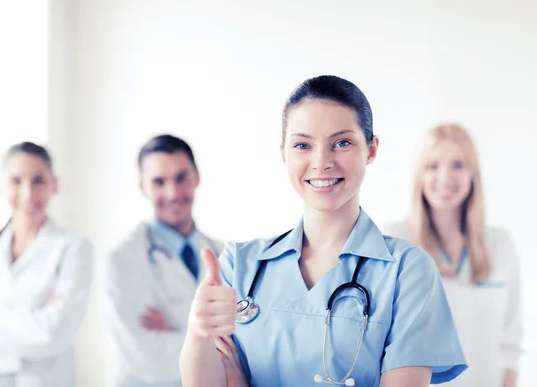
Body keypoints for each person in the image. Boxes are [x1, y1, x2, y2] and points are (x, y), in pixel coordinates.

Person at [179, 75, 468, 387]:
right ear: (283, 154)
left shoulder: (407, 271)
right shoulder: (239, 264)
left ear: (371, 149)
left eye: (341, 143)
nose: (321, 162)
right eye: (303, 145)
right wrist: (199, 330)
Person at [383, 123, 523, 387]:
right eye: (433, 166)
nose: (445, 178)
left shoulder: (501, 244)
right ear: (419, 175)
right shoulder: (395, 241)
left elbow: (510, 343)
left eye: (458, 165)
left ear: (473, 174)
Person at [0, 142, 94, 386]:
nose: (28, 193)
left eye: (38, 180)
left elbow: (53, 333)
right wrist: (30, 321)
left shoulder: (73, 248)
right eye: (16, 181)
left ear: (54, 185)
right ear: (2, 187)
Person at [103, 134, 224, 387]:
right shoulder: (122, 260)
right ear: (142, 187)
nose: (173, 193)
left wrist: (174, 333)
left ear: (197, 177)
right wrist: (215, 340)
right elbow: (148, 359)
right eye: (159, 182)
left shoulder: (224, 254)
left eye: (181, 178)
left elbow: (246, 345)